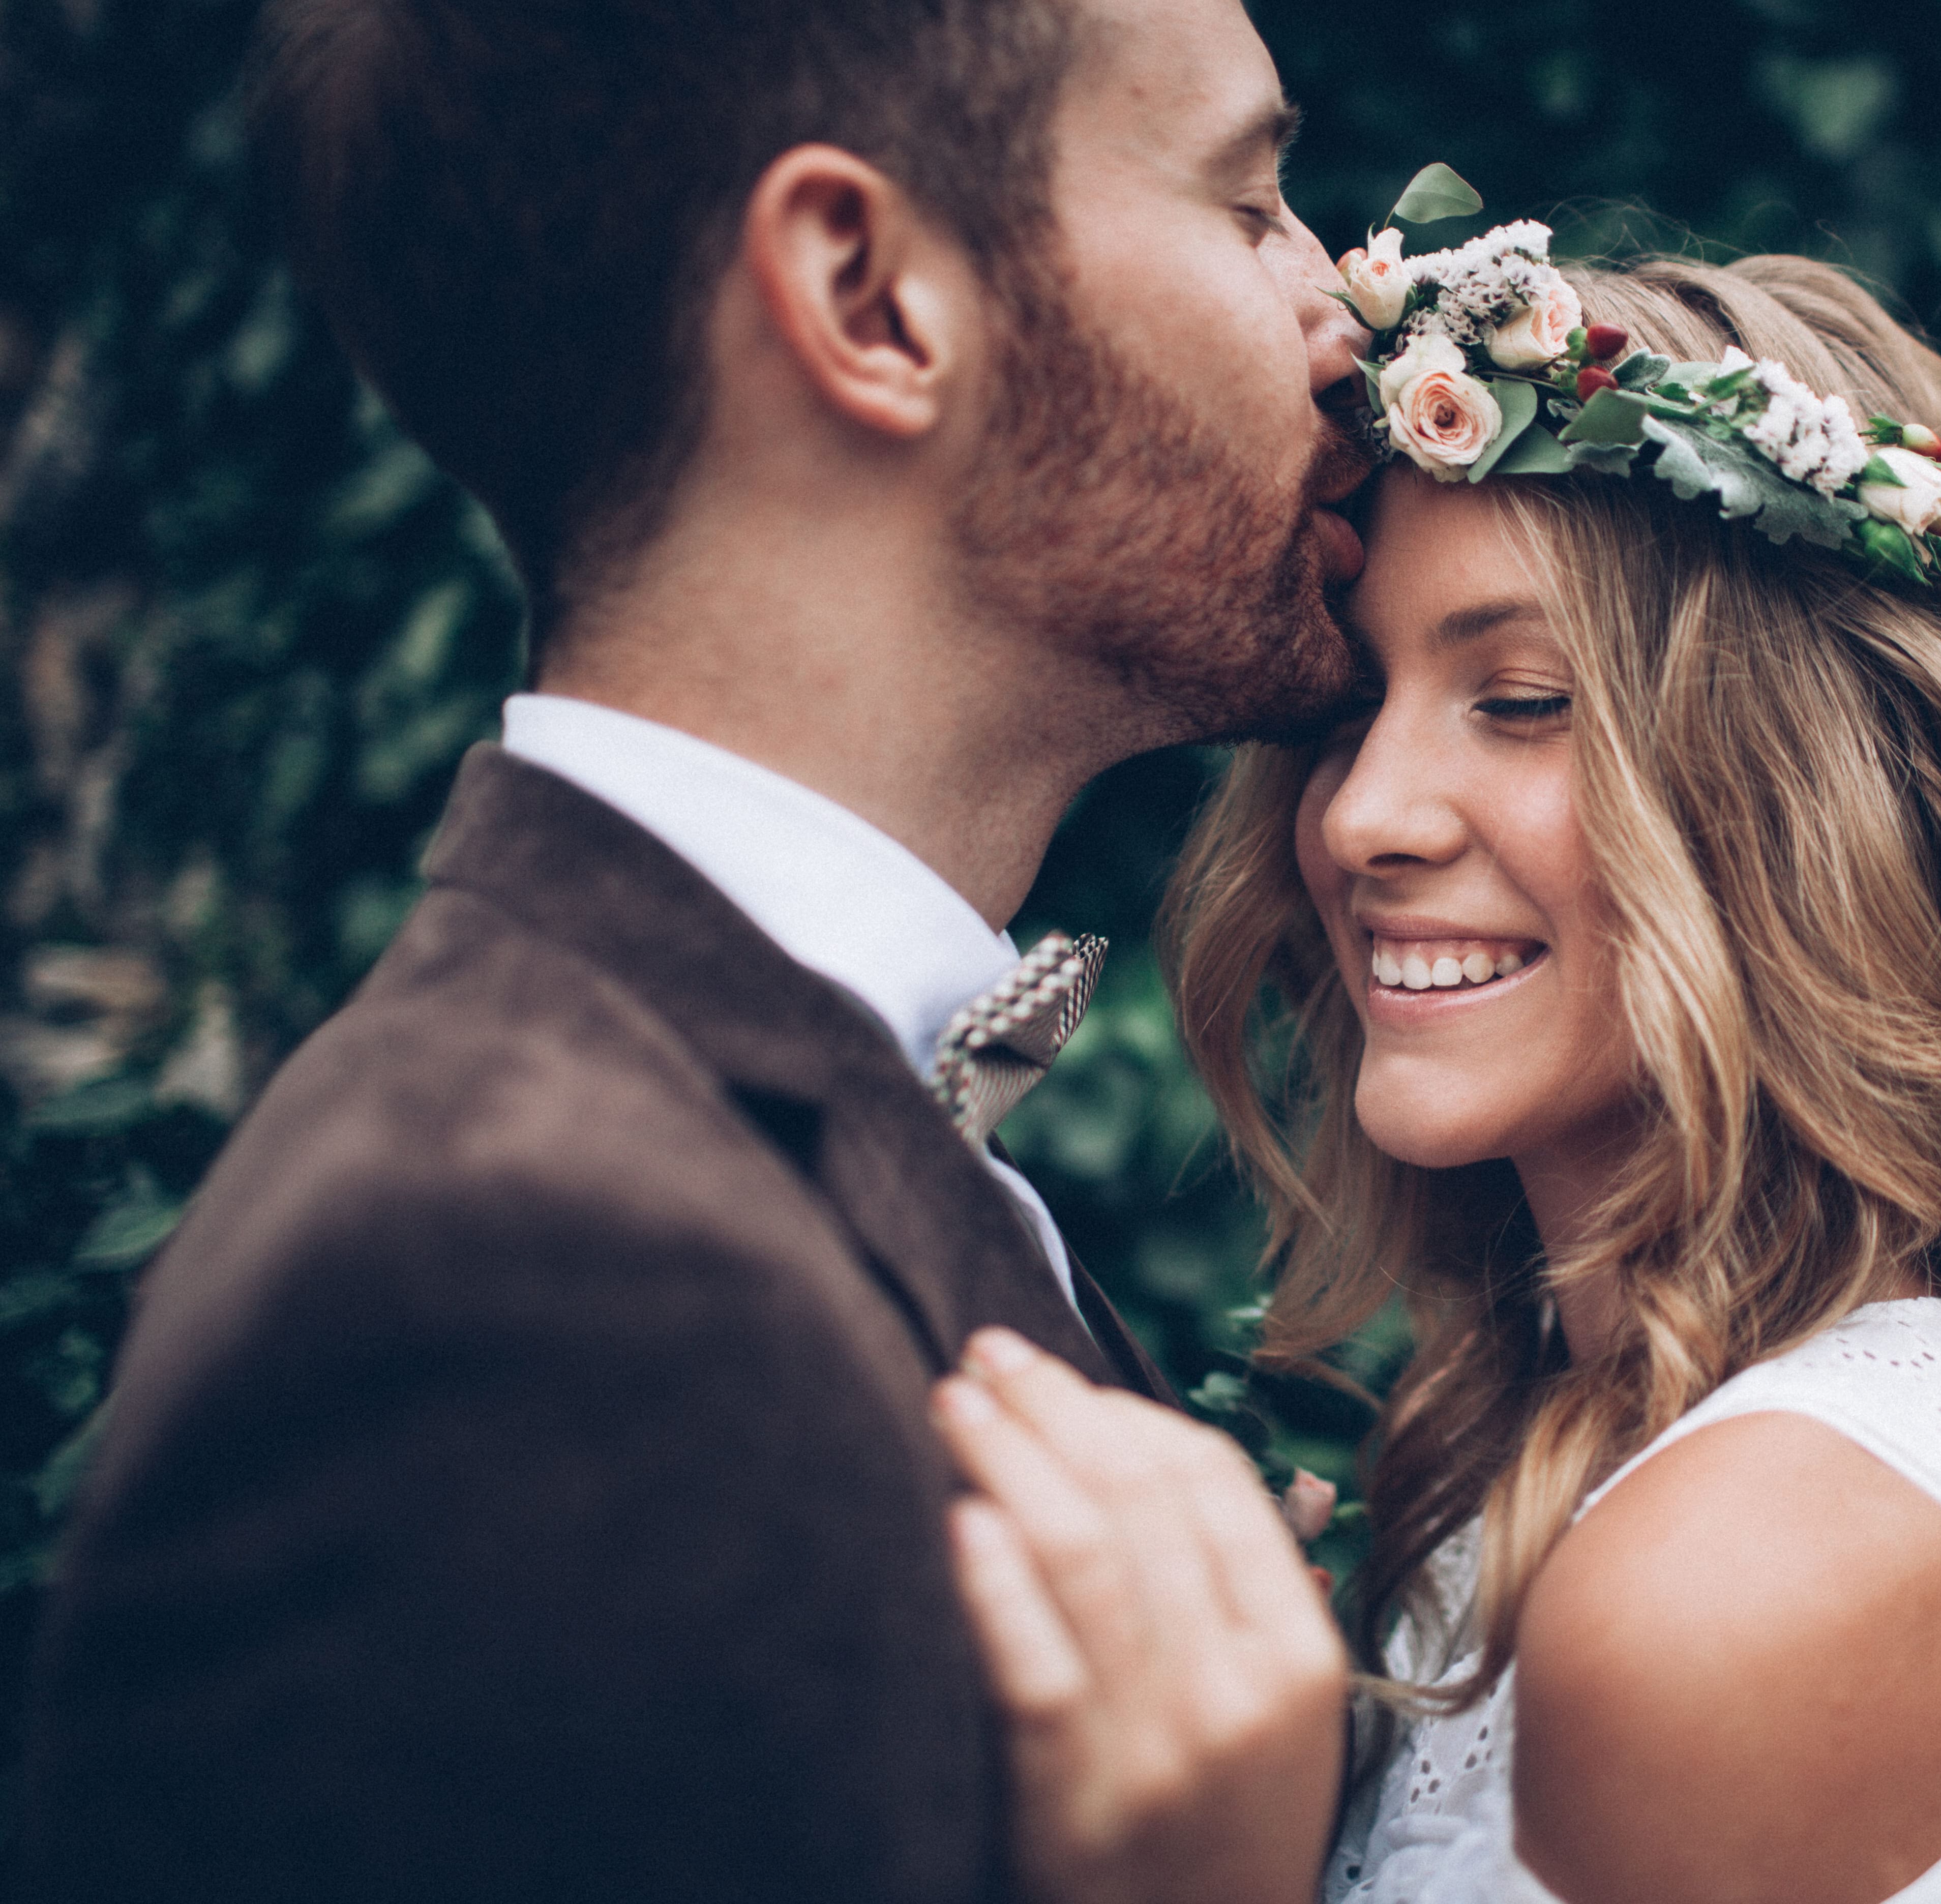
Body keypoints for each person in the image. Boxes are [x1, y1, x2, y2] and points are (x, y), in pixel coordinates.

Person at [15, 0, 1364, 1897]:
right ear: (870, 294)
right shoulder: (509, 1286)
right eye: (1249, 202)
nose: (1346, 309)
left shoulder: (703, 1126)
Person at [934, 238, 1941, 1903]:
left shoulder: (1742, 1576)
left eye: (1523, 700)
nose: (1366, 816)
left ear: (1814, 806)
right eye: (1354, 702)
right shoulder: (1604, 1460)